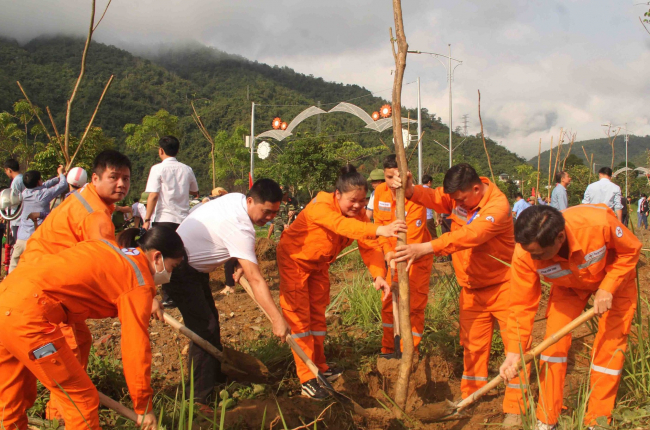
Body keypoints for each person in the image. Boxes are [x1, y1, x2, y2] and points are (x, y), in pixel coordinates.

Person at [0, 226, 185, 430]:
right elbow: (136, 348)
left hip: (7, 296)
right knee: (82, 401)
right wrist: (144, 407)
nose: (170, 273)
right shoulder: (138, 283)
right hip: (29, 317)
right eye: (173, 267)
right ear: (157, 257)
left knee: (12, 394)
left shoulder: (111, 249)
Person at [391, 163, 529, 427]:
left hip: (504, 285)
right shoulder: (459, 197)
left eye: (462, 199)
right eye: (455, 200)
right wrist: (410, 190)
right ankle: (471, 398)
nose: (457, 204)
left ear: (476, 189)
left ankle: (515, 407)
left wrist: (426, 247)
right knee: (473, 347)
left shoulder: (497, 207)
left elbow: (471, 235)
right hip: (472, 288)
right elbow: (434, 197)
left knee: (516, 345)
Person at [500, 204, 641, 429]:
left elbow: (631, 249)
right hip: (568, 287)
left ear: (560, 237)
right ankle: (547, 419)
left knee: (609, 348)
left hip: (615, 279)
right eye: (530, 253)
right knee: (552, 348)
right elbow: (520, 305)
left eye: (539, 254)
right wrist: (513, 353)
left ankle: (598, 420)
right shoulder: (525, 255)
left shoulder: (597, 224)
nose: (534, 258)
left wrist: (608, 286)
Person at [19, 150, 135, 420]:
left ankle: (42, 411)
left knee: (77, 340)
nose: (121, 184)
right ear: (95, 178)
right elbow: (105, 257)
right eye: (113, 177)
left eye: (126, 179)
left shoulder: (88, 199)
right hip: (41, 288)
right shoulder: (94, 213)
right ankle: (59, 415)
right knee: (65, 347)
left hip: (42, 279)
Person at [164, 178, 291, 412]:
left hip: (192, 266)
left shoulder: (235, 198)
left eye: (275, 213)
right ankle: (197, 399)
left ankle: (213, 377)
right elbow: (255, 279)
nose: (270, 218)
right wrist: (277, 319)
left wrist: (238, 262)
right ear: (251, 200)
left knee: (210, 323)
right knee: (204, 328)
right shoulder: (241, 225)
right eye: (266, 212)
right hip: (178, 269)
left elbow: (224, 234)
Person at [279, 165, 405, 399]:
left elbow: (368, 244)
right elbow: (342, 226)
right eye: (352, 200)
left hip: (319, 266)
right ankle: (307, 378)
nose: (357, 206)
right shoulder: (321, 206)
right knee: (299, 319)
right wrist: (380, 228)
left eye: (362, 200)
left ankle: (320, 367)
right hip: (294, 263)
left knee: (317, 317)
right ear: (337, 195)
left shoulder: (356, 215)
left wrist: (378, 274)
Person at [374, 155, 433, 355]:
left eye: (397, 177)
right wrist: (387, 251)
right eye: (388, 177)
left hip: (416, 258)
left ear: (407, 175)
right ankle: (389, 349)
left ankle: (409, 351)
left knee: (413, 305)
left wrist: (395, 255)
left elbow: (413, 241)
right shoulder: (380, 192)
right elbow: (378, 226)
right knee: (389, 303)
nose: (392, 183)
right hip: (392, 258)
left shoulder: (416, 198)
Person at [10, 166, 68, 272]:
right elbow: (63, 185)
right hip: (35, 240)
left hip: (21, 239)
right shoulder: (43, 195)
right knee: (33, 269)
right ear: (38, 182)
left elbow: (44, 185)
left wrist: (58, 177)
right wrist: (61, 174)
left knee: (14, 267)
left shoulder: (23, 194)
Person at [143, 136, 199, 232]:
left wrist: (147, 219)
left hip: (164, 219)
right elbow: (195, 191)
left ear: (161, 150)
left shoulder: (157, 169)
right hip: (183, 221)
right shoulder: (187, 169)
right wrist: (182, 187)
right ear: (177, 151)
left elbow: (153, 195)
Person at [4, 158, 24, 254]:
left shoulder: (16, 182)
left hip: (16, 218)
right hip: (21, 217)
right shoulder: (23, 178)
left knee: (16, 244)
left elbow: (13, 201)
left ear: (9, 170)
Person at [422, 174, 438, 238]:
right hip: (428, 218)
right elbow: (436, 205)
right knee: (433, 237)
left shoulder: (417, 190)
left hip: (419, 218)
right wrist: (437, 218)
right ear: (429, 182)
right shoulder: (432, 192)